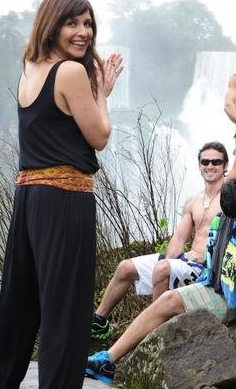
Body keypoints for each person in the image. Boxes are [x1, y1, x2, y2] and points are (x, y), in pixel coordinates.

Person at [0, 0, 123, 389]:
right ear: (52, 24)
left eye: (88, 23)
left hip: (29, 197)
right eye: (72, 23)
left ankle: (0, 382)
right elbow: (99, 137)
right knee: (66, 307)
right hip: (65, 199)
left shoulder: (30, 66)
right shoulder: (71, 72)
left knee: (20, 300)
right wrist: (102, 93)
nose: (83, 32)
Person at [86, 178, 236, 389]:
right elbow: (213, 269)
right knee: (169, 299)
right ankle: (108, 359)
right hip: (229, 289)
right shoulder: (223, 221)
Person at [90, 142, 228, 339]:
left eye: (216, 162)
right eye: (205, 162)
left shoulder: (229, 197)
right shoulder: (194, 201)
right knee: (125, 267)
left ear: (225, 165)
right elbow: (179, 238)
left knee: (162, 268)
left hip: (207, 266)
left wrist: (206, 256)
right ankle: (99, 322)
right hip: (188, 261)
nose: (210, 166)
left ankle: (154, 333)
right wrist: (169, 260)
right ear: (199, 166)